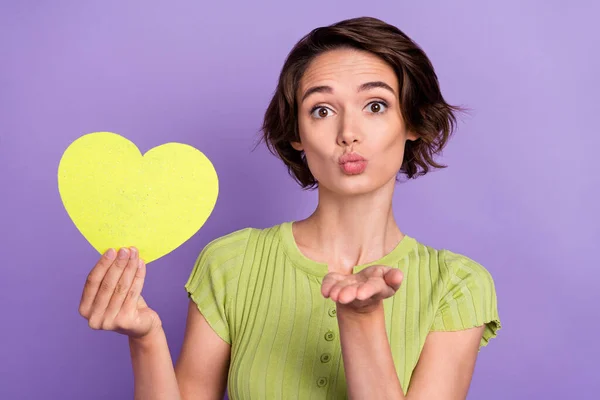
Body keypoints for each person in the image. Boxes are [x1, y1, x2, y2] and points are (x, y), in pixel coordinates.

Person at [78, 16, 500, 400]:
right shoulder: (230, 263)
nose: (348, 133)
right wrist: (146, 339)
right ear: (297, 133)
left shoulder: (457, 285)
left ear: (410, 121)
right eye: (321, 110)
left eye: (375, 106)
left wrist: (362, 319)